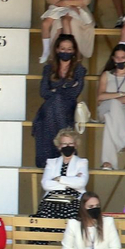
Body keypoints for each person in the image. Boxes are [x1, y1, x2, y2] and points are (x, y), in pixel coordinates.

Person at [34, 36, 87, 169]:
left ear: (74, 51)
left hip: (68, 108)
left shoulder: (79, 69)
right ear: (57, 50)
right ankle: (68, 152)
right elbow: (43, 92)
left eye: (69, 49)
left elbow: (75, 93)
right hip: (49, 108)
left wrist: (55, 90)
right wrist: (65, 87)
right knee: (54, 103)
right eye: (63, 48)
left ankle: (52, 159)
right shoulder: (48, 68)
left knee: (56, 101)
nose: (66, 52)